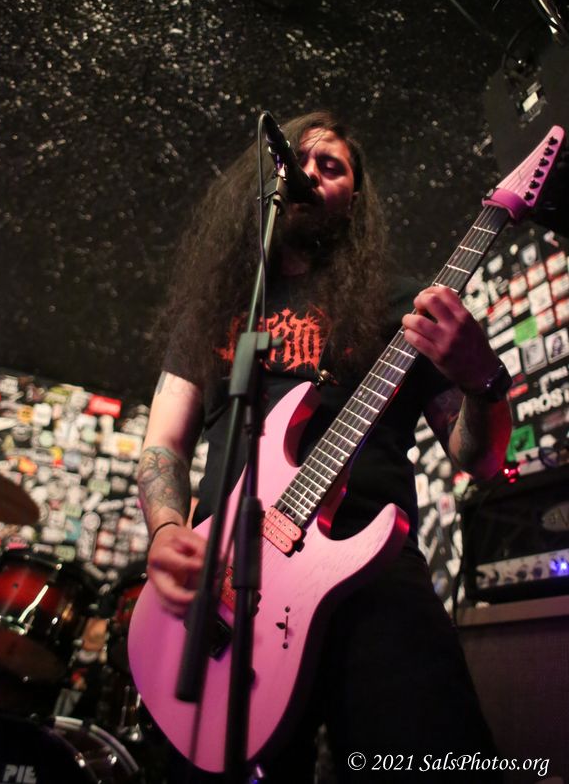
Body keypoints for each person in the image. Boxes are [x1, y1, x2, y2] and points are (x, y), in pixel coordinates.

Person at [136, 110, 512, 782]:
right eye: (294, 159)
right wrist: (166, 530)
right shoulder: (217, 307)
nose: (306, 172)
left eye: (330, 165)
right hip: (222, 586)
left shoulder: (399, 304)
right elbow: (163, 443)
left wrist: (483, 381)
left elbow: (478, 459)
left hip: (371, 574)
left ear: (355, 199)